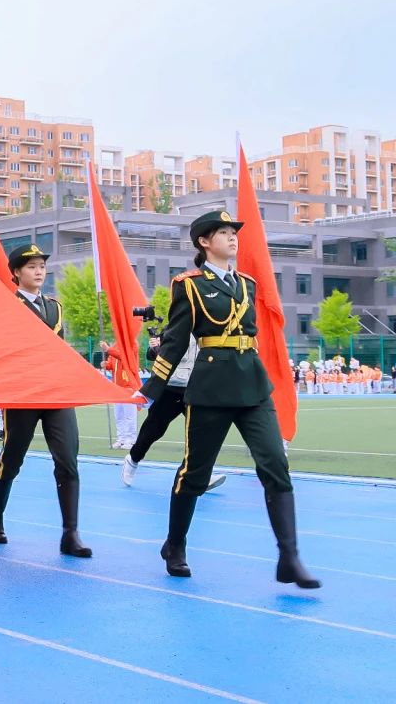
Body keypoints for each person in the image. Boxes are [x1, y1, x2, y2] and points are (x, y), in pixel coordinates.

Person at [142, 210, 319, 587]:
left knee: (275, 465)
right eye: (223, 233)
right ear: (205, 242)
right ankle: (175, 545)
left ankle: (289, 557)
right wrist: (150, 389)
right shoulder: (189, 286)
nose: (232, 237)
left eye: (233, 232)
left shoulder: (247, 284)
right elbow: (175, 341)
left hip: (252, 385)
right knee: (195, 473)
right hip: (211, 387)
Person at [0, 243, 92, 558]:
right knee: (12, 458)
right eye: (31, 267)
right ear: (17, 272)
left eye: (42, 266)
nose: (39, 271)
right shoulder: (6, 306)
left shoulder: (55, 307)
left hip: (56, 392)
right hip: (23, 392)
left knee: (68, 460)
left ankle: (70, 534)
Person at [120, 335, 225, 492]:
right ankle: (133, 459)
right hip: (171, 388)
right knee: (153, 430)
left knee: (202, 433)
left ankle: (199, 474)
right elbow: (153, 354)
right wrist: (155, 347)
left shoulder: (208, 329)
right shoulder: (175, 327)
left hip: (196, 388)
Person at [101, 339, 139, 449]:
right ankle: (121, 439)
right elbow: (112, 363)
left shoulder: (132, 344)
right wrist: (106, 365)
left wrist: (108, 349)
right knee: (119, 415)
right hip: (117, 387)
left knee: (129, 415)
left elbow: (125, 357)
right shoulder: (116, 345)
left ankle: (131, 440)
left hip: (128, 386)